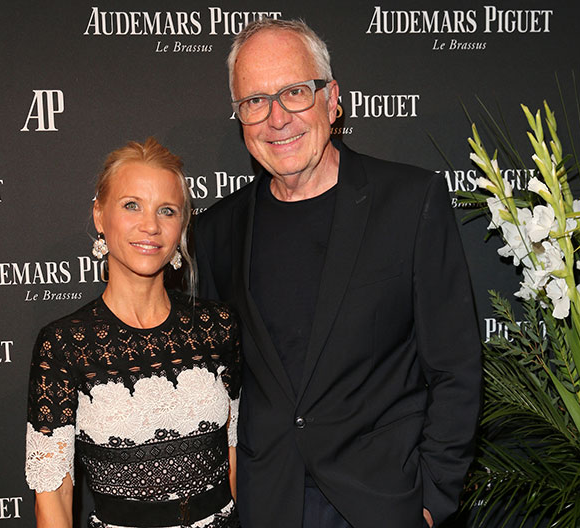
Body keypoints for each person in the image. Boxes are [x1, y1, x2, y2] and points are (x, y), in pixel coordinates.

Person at [194, 19, 481, 528]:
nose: (276, 118)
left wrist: (432, 499)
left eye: (295, 92)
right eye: (254, 101)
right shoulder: (216, 232)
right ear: (240, 118)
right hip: (267, 505)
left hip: (382, 502)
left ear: (332, 100)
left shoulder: (409, 203)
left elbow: (455, 367)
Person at [25, 138, 240, 528]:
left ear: (182, 226)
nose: (151, 226)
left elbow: (237, 453)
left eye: (167, 210)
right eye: (131, 205)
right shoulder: (64, 345)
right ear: (99, 216)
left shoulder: (217, 326)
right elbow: (53, 495)